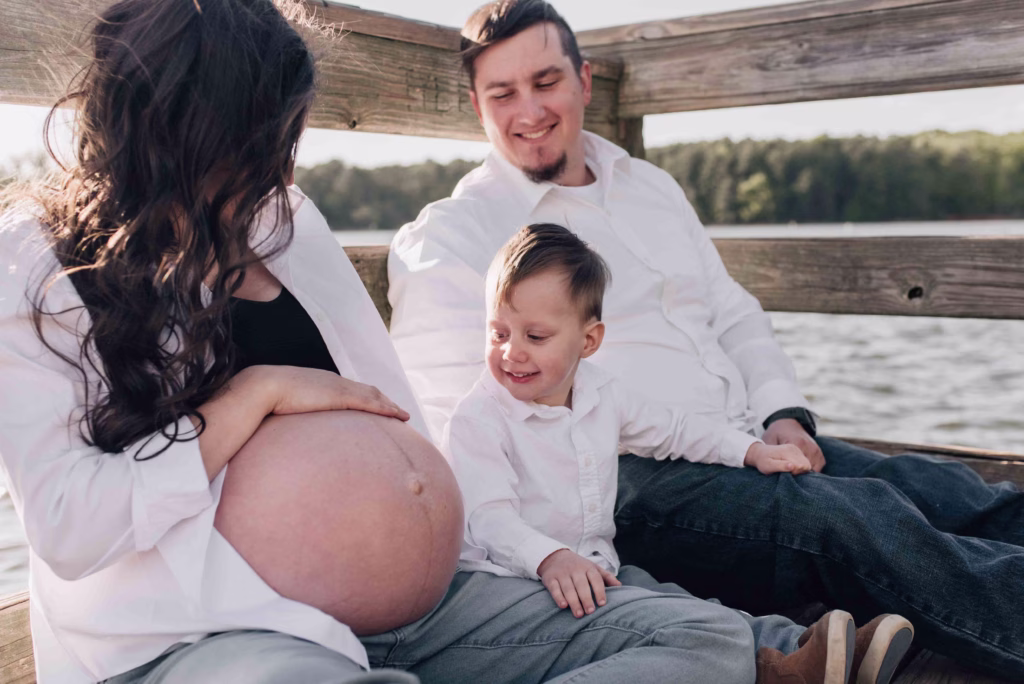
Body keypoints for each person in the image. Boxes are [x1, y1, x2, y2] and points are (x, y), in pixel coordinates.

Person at [0, 2, 836, 684]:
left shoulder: (285, 223)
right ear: (184, 131)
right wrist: (254, 396)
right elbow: (72, 529)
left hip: (421, 606)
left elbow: (387, 405)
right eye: (262, 144)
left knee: (703, 641)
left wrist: (487, 542)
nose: (283, 170)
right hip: (212, 634)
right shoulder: (39, 271)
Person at [386, 0, 1024, 678]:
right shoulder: (457, 233)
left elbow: (732, 311)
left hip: (737, 434)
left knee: (936, 487)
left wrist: (783, 416)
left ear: (585, 81)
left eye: (546, 82)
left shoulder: (648, 186)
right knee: (853, 517)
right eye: (502, 92)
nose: (528, 110)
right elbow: (458, 421)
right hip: (628, 480)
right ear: (475, 104)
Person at [444, 222, 916, 684]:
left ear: (589, 341)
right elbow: (489, 519)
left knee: (684, 601)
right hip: (518, 587)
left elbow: (675, 430)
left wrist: (750, 450)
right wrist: (550, 558)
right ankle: (792, 664)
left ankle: (810, 652)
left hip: (598, 570)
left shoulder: (601, 393)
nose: (511, 353)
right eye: (498, 333)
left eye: (535, 336)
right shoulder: (479, 419)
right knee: (675, 614)